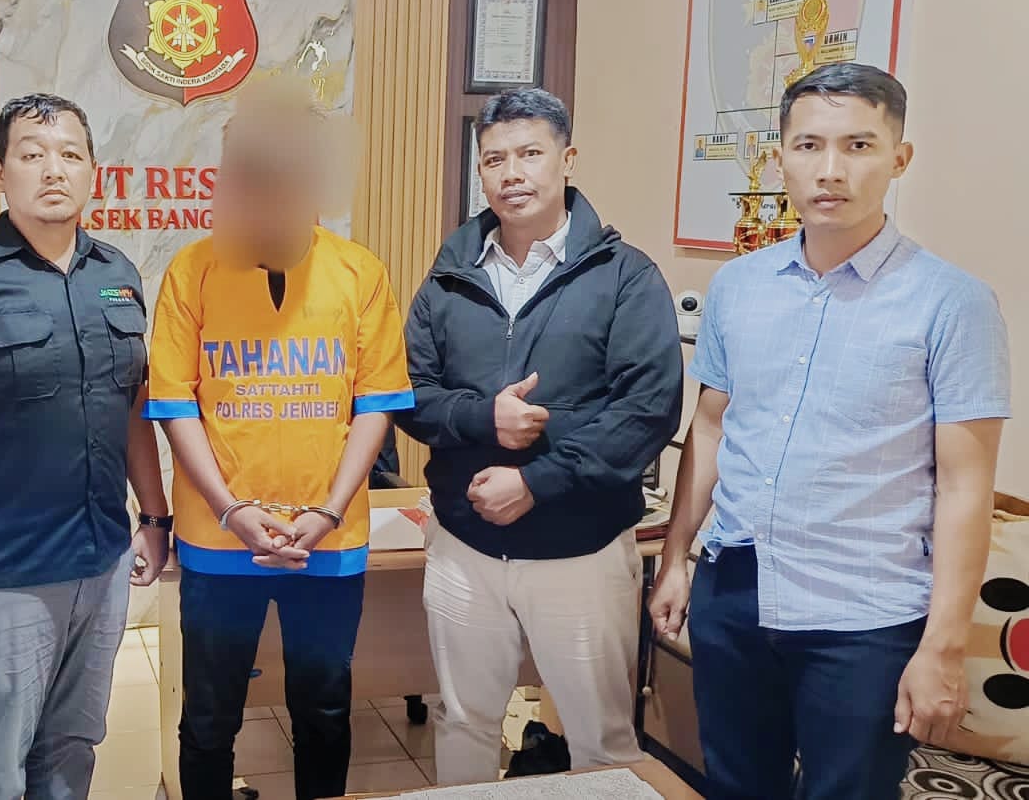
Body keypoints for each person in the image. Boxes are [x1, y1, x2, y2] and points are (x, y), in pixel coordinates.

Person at [648, 63, 1011, 800]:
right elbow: (710, 429)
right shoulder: (739, 287)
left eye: (859, 145)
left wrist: (943, 647)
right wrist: (677, 557)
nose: (831, 170)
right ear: (781, 156)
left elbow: (965, 487)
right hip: (736, 589)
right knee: (737, 785)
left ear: (899, 159)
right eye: (809, 145)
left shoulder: (952, 303)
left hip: (865, 615)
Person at [395, 88, 683, 784]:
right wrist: (481, 418)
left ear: (567, 159)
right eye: (495, 159)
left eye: (530, 153)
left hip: (579, 548)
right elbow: (409, 392)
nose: (512, 173)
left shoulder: (625, 276)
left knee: (600, 740)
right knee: (463, 720)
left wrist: (535, 481)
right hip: (464, 545)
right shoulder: (449, 277)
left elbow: (647, 412)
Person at [0, 93, 169, 800]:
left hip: (102, 561)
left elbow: (133, 409)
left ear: (92, 171)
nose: (53, 170)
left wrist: (154, 516)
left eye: (70, 154)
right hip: (4, 575)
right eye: (32, 154)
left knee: (73, 749)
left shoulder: (118, 275)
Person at [146, 80, 414, 800]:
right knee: (210, 716)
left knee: (324, 708)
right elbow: (175, 406)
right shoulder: (193, 271)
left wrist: (327, 511)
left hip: (328, 540)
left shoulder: (359, 272)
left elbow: (375, 405)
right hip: (218, 537)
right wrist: (231, 509)